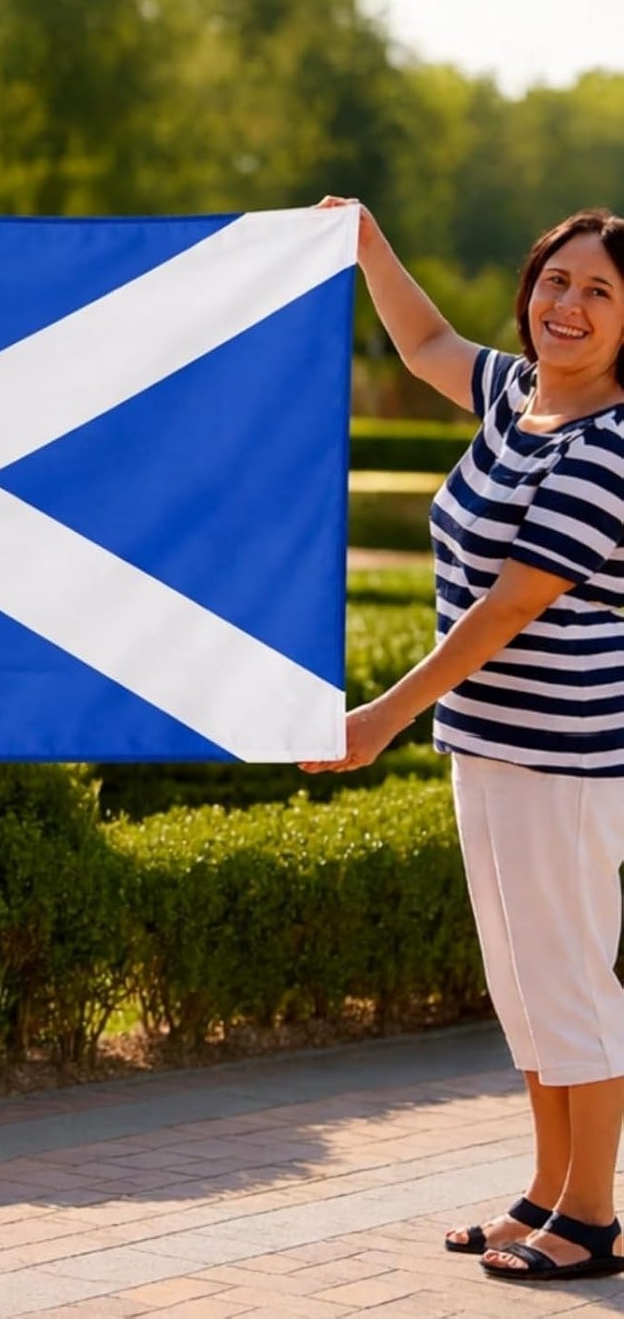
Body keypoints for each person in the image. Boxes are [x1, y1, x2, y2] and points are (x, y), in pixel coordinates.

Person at [303, 198, 624, 1282]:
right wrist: (362, 239)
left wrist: (380, 714)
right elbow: (427, 342)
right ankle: (543, 1190)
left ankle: (589, 1214)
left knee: (571, 981)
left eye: (597, 292)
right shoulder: (512, 398)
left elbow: (507, 604)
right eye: (553, 279)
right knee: (522, 978)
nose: (565, 305)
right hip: (486, 741)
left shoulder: (610, 443)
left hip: (564, 753)